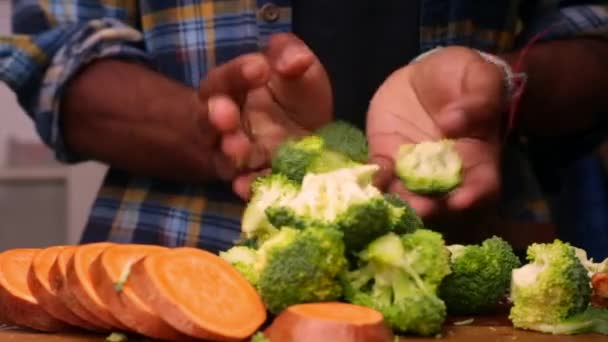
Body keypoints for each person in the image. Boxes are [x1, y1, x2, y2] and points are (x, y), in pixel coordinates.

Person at [1, 1, 606, 254]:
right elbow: (52, 51)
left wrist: (497, 86)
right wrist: (211, 131)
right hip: (176, 250)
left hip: (476, 247)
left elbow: (593, 35)